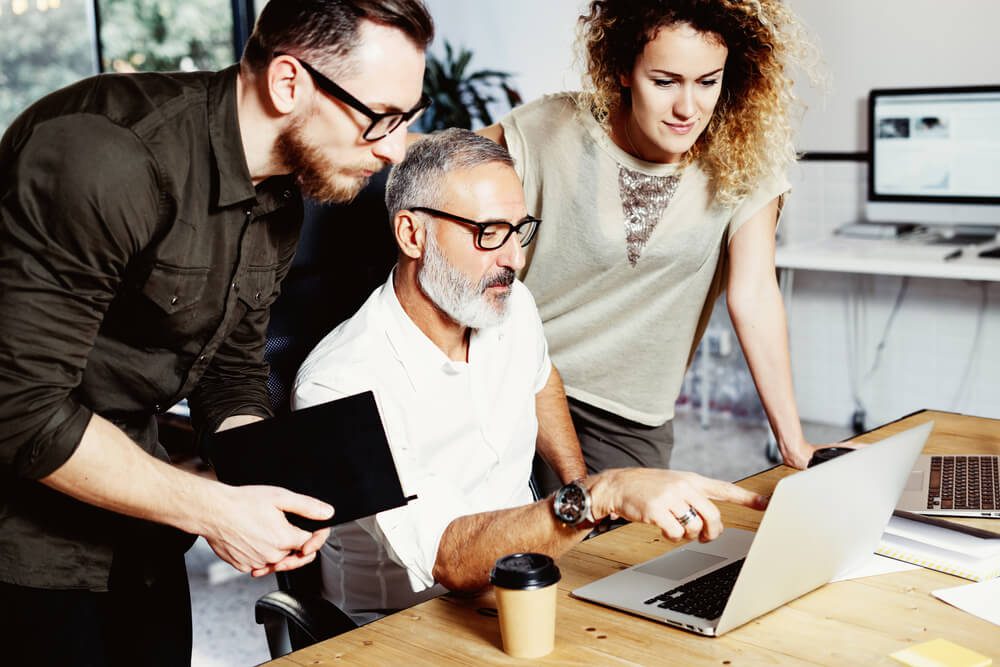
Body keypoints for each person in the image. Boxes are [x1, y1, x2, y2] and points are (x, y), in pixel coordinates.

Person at [0, 1, 433, 664]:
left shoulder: (283, 195)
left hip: (141, 530)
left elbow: (229, 367)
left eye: (409, 118)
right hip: (21, 552)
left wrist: (258, 485)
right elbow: (19, 409)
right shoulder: (108, 159)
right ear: (288, 82)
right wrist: (212, 509)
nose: (395, 148)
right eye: (381, 117)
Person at [292, 128, 769, 625]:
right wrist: (596, 496)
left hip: (531, 578)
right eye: (489, 233)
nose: (515, 260)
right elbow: (448, 557)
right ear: (412, 234)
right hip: (404, 622)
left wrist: (577, 480)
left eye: (518, 230)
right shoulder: (338, 384)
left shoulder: (507, 303)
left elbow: (541, 378)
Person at [478, 0, 832, 492]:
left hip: (627, 414)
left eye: (708, 82)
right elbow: (442, 180)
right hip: (510, 380)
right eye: (664, 82)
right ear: (623, 69)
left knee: (619, 558)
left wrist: (794, 443)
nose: (688, 108)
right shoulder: (550, 129)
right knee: (500, 553)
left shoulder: (745, 158)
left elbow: (753, 296)